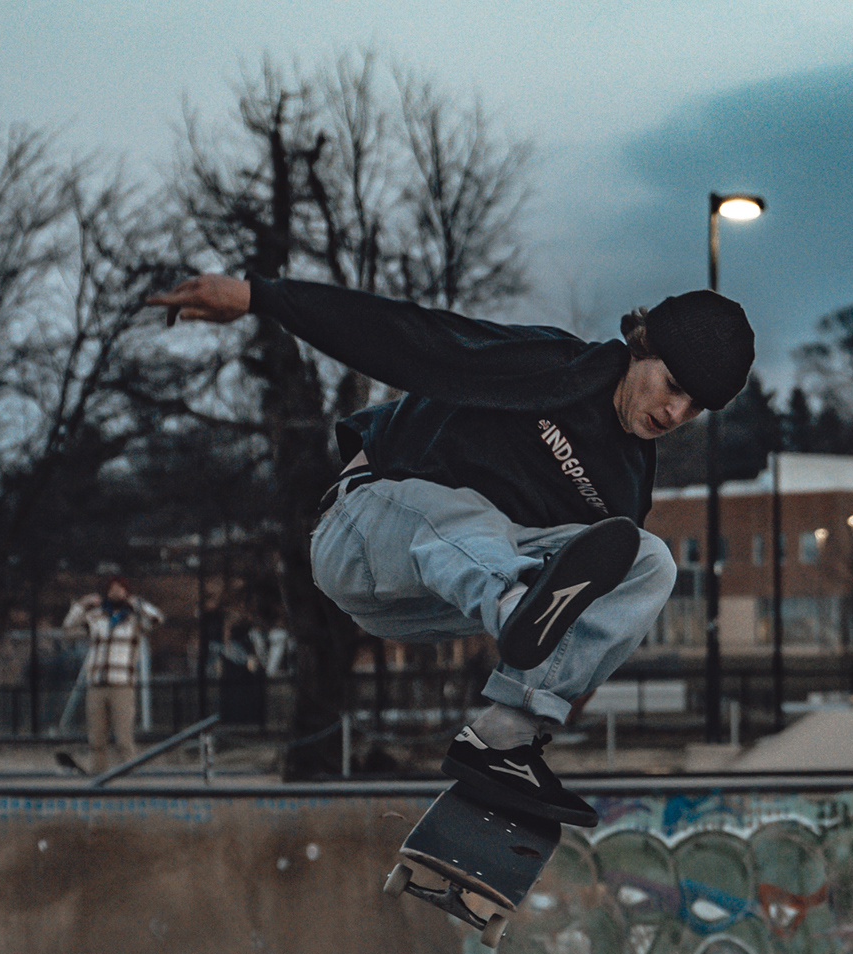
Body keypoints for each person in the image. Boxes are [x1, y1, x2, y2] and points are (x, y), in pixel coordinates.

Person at [146, 271, 755, 825]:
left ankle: (503, 742)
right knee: (471, 515)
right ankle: (513, 602)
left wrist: (558, 695)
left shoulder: (625, 488)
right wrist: (262, 296)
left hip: (434, 601)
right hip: (363, 536)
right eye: (673, 386)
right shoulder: (554, 366)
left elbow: (593, 609)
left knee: (648, 560)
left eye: (696, 406)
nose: (677, 411)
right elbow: (415, 338)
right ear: (643, 347)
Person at [62, 578, 165, 774]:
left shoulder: (134, 620)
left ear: (126, 593)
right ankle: (98, 775)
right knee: (96, 738)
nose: (116, 593)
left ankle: (130, 776)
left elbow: (157, 618)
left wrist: (138, 604)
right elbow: (69, 626)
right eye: (112, 590)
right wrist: (83, 604)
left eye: (120, 590)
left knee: (123, 737)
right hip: (97, 683)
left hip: (122, 684)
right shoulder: (97, 617)